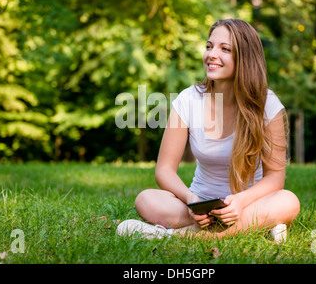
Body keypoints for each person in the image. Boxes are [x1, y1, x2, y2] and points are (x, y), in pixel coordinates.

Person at [116, 19, 300, 242]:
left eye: (225, 49)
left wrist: (240, 202)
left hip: (248, 204)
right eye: (209, 46)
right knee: (145, 199)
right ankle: (260, 225)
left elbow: (275, 178)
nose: (212, 54)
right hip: (199, 204)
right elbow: (164, 170)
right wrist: (192, 200)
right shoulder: (187, 99)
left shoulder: (267, 104)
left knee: (288, 201)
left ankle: (179, 236)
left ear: (245, 58)